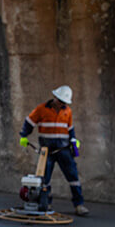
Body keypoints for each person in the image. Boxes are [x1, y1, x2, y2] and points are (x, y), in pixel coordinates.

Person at [19, 85, 88, 216]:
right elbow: (29, 122)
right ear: (55, 97)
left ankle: (79, 205)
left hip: (64, 149)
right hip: (47, 150)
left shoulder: (67, 111)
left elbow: (70, 129)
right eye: (61, 101)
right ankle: (46, 203)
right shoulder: (41, 110)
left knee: (73, 177)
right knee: (45, 179)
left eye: (64, 102)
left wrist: (73, 140)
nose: (62, 104)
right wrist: (23, 136)